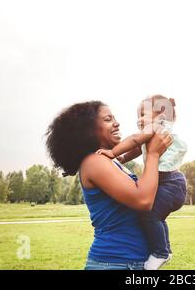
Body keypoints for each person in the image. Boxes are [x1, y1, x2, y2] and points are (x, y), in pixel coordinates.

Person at [45, 100, 173, 270]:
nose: (117, 123)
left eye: (114, 118)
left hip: (127, 263)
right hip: (114, 263)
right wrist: (153, 154)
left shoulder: (110, 161)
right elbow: (143, 200)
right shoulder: (94, 162)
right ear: (88, 131)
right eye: (107, 119)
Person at [97, 95, 187, 270]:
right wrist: (122, 158)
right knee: (157, 216)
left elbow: (134, 140)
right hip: (170, 183)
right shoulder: (153, 131)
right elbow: (138, 149)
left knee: (149, 214)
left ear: (161, 114)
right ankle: (165, 250)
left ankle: (160, 252)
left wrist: (113, 153)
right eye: (138, 116)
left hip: (169, 183)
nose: (139, 120)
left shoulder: (156, 127)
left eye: (143, 114)